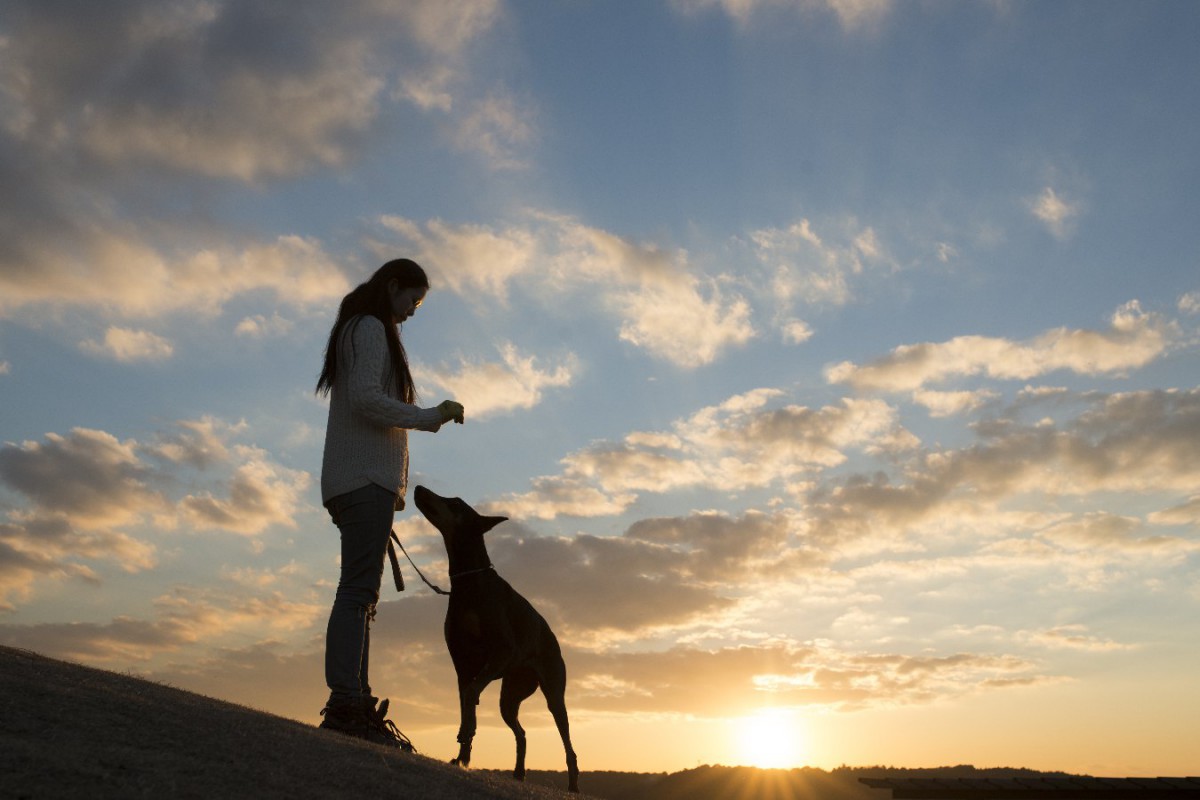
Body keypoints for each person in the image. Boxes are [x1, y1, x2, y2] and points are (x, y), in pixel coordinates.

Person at [314, 258, 464, 748]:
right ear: (393, 287)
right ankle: (346, 704)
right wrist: (430, 416)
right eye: (412, 301)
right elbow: (366, 400)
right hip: (362, 483)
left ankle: (355, 699)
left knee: (362, 596)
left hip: (360, 483)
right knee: (358, 593)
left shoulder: (360, 328)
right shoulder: (370, 327)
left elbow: (362, 399)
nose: (412, 313)